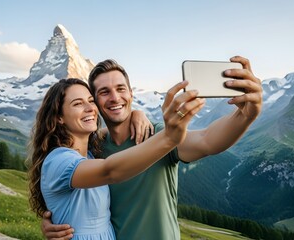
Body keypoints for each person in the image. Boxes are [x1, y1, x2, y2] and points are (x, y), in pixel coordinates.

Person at [41, 56, 263, 240]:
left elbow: (207, 140)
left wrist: (246, 116)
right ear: (97, 103)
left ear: (131, 94)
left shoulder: (157, 135)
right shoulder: (96, 148)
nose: (115, 97)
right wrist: (51, 219)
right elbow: (66, 185)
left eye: (121, 89)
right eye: (104, 92)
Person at [28, 78, 203, 239]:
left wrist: (135, 114)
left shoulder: (89, 152)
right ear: (59, 117)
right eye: (77, 104)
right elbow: (109, 171)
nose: (90, 108)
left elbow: (112, 131)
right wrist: (169, 138)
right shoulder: (58, 160)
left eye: (91, 101)